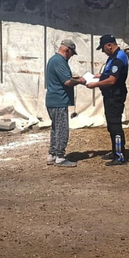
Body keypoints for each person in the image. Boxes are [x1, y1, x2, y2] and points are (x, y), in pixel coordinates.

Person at [87, 34, 129, 166]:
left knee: (115, 126)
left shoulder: (118, 58)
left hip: (115, 97)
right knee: (111, 125)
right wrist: (100, 76)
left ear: (109, 45)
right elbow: (109, 74)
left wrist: (95, 84)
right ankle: (115, 151)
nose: (103, 51)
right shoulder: (113, 57)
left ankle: (120, 155)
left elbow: (112, 80)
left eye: (103, 48)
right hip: (110, 97)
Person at [45, 39, 86, 167]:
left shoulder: (54, 60)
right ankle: (60, 157)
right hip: (59, 100)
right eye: (72, 53)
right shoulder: (59, 61)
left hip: (53, 100)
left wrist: (76, 79)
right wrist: (80, 81)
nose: (71, 56)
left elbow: (64, 78)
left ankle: (52, 154)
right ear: (67, 50)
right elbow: (67, 81)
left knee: (55, 129)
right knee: (62, 129)